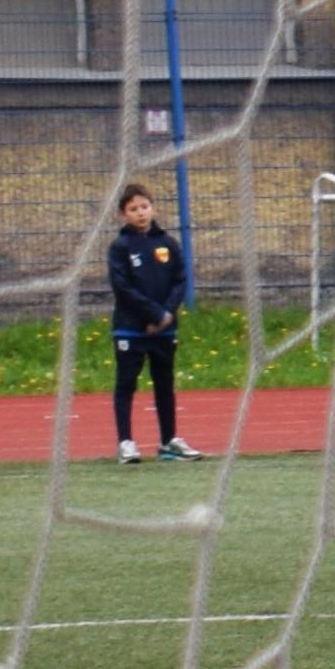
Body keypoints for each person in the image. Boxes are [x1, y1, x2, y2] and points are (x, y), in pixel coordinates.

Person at [102, 180, 195, 465]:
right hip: (131, 328)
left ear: (153, 209)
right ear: (123, 214)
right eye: (133, 209)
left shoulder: (167, 244)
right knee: (126, 383)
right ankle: (126, 443)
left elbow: (180, 280)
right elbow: (123, 287)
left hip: (164, 330)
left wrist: (166, 315)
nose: (140, 213)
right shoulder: (120, 247)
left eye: (144, 207)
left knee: (165, 384)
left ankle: (168, 442)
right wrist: (154, 314)